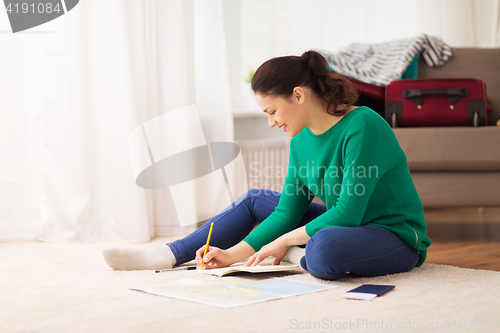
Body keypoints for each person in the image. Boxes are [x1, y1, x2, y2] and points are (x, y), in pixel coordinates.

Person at [103, 50, 432, 281]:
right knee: (255, 200)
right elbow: (286, 213)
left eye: (273, 111)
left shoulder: (363, 125)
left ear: (299, 96)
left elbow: (348, 213)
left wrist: (286, 241)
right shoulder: (300, 141)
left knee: (323, 251)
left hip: (395, 237)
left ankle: (295, 254)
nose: (272, 122)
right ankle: (169, 255)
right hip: (349, 226)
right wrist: (232, 255)